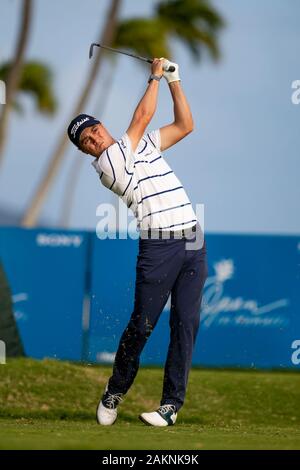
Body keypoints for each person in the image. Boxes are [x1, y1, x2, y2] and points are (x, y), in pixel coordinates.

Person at [67, 58, 208, 427]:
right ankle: (115, 390)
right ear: (86, 151)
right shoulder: (108, 164)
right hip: (158, 246)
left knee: (186, 323)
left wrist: (175, 80)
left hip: (192, 239)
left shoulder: (143, 145)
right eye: (86, 141)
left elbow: (185, 125)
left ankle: (170, 405)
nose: (94, 138)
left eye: (94, 130)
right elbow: (143, 117)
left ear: (102, 126)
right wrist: (155, 75)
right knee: (143, 324)